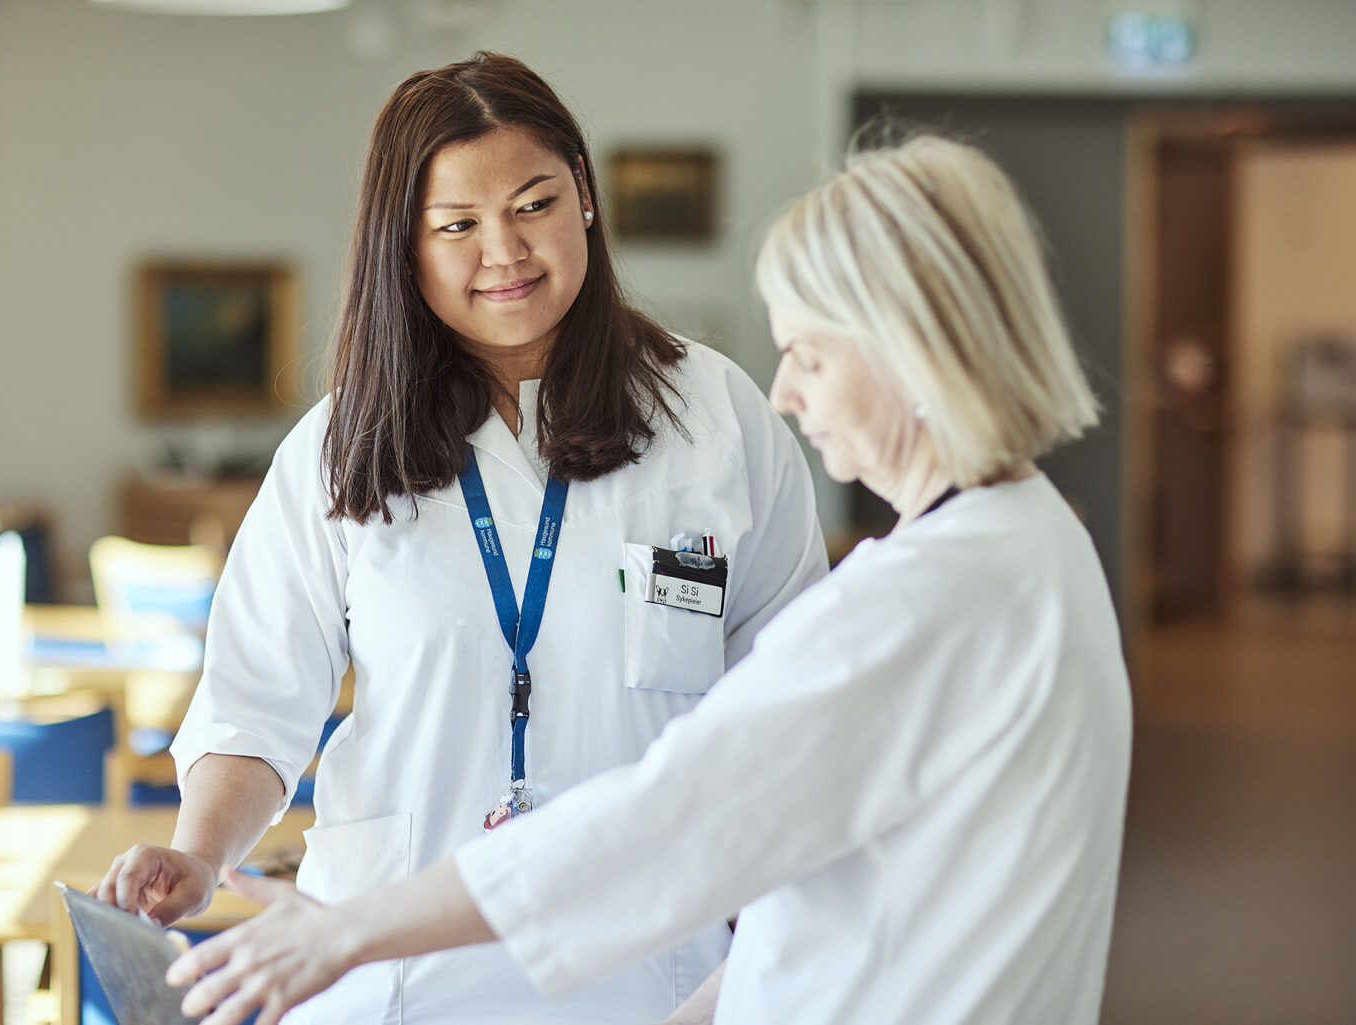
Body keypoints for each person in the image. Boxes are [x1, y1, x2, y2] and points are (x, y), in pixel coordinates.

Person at [160, 134, 1135, 1025]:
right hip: (427, 986)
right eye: (457, 224)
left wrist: (347, 929)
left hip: (626, 950)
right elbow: (806, 865)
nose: (789, 393)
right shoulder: (1038, 541)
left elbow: (686, 817)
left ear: (915, 350)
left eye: (807, 352)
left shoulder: (908, 590)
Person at [94, 51, 827, 1025]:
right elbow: (254, 706)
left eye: (535, 204)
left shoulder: (716, 419)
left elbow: (794, 704)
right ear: (406, 244)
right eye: (458, 225)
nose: (506, 251)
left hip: (648, 970)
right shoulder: (339, 447)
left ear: (586, 199)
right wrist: (198, 853)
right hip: (386, 973)